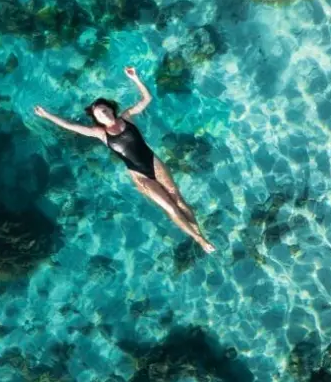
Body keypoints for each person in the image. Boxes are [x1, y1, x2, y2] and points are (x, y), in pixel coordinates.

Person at [34, 66, 215, 253]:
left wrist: (136, 79)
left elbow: (147, 99)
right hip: (139, 175)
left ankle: (200, 232)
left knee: (179, 200)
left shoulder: (127, 117)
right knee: (170, 207)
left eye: (104, 109)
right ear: (96, 119)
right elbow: (70, 126)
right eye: (98, 113)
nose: (102, 113)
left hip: (154, 163)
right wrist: (47, 115)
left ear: (111, 109)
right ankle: (199, 239)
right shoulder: (101, 133)